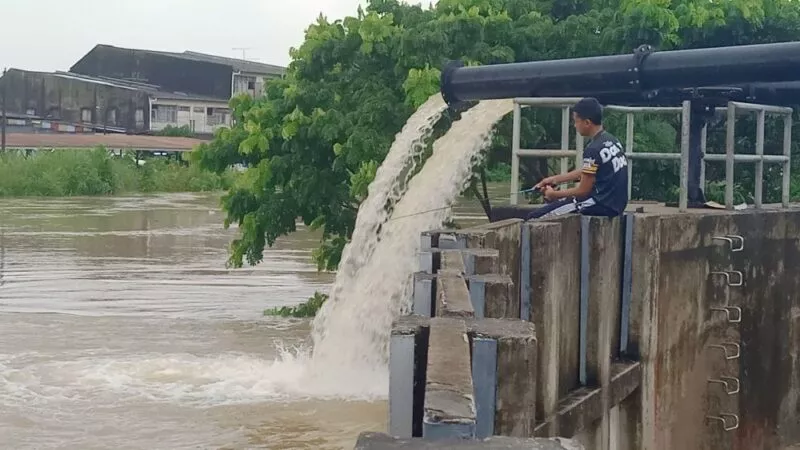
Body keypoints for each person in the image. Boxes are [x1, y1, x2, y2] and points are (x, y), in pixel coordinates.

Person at [526, 97, 628, 221]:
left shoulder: (593, 149)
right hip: (615, 203)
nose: (575, 125)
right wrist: (554, 179)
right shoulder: (611, 140)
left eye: (576, 121)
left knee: (535, 218)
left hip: (600, 204)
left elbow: (583, 190)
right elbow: (589, 171)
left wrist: (554, 195)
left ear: (587, 123)